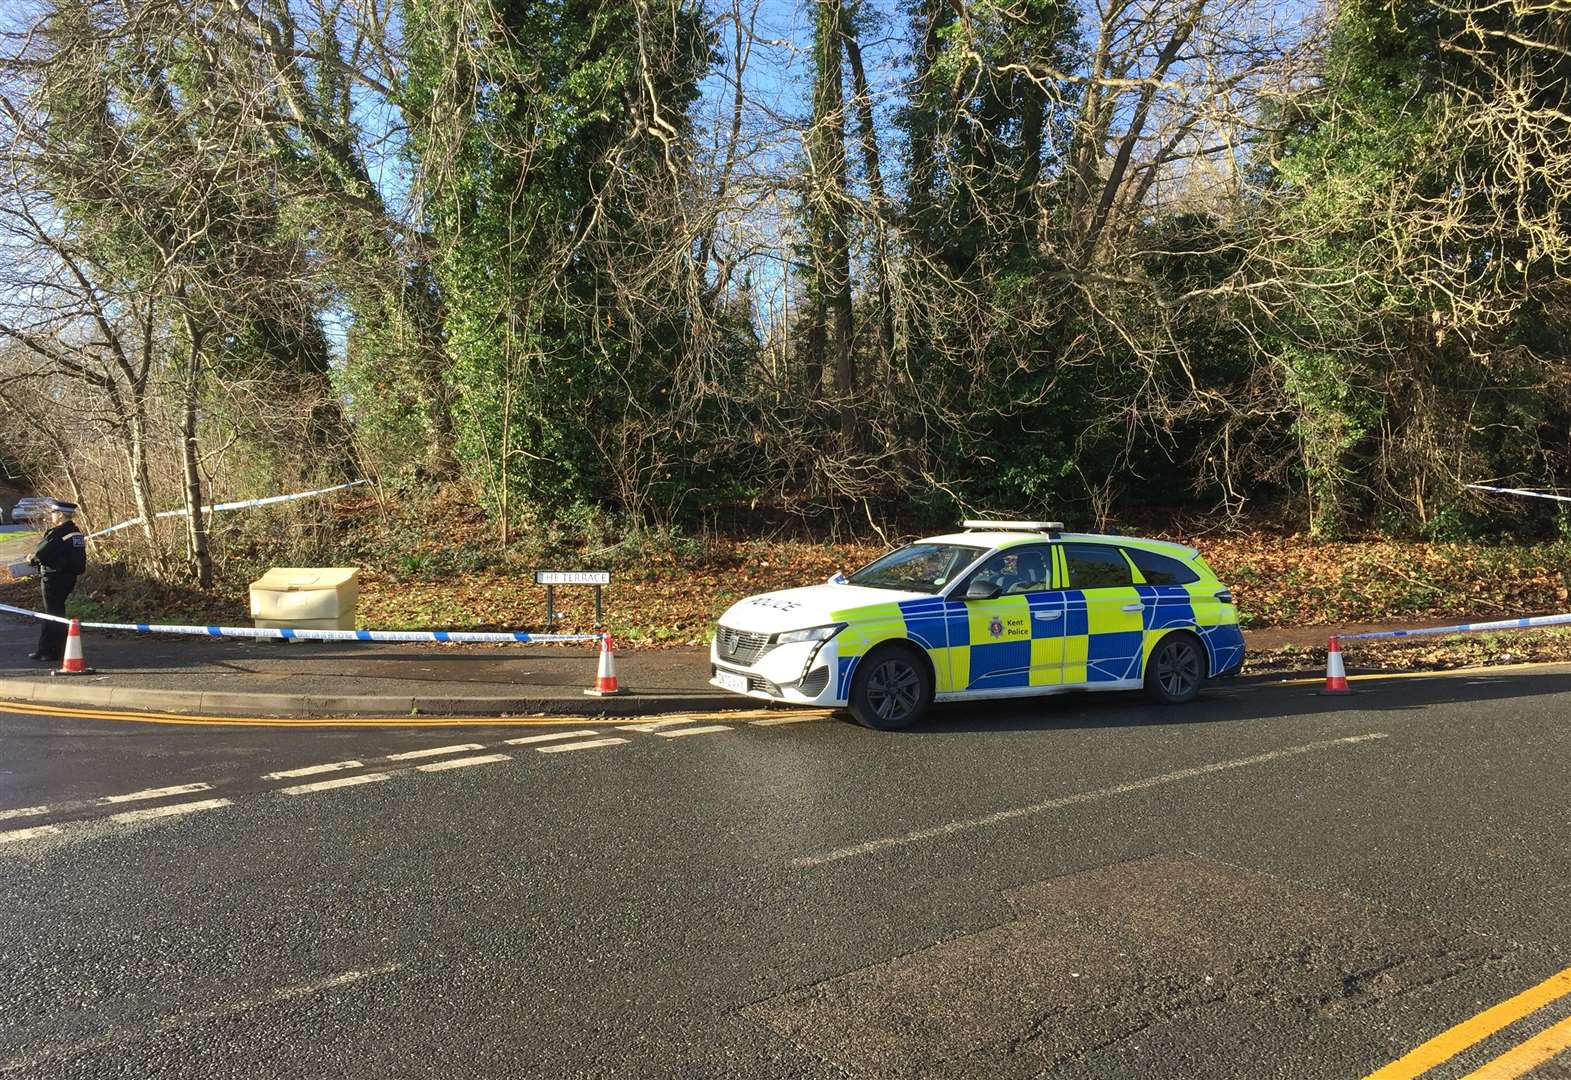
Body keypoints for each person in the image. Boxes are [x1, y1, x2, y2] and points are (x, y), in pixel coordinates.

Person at [26, 499, 86, 663]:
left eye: (53, 513)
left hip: (54, 578)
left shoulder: (59, 533)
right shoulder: (75, 532)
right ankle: (44, 648)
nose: (51, 516)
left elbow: (41, 553)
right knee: (52, 613)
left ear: (60, 515)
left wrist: (31, 558)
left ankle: (52, 651)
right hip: (67, 578)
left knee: (53, 614)